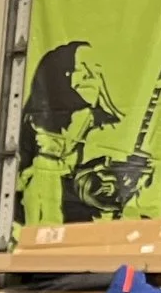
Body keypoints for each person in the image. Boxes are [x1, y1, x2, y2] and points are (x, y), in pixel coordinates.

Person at [17, 41, 123, 225]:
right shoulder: (43, 127)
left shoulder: (101, 125)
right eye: (80, 68)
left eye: (95, 69)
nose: (90, 75)